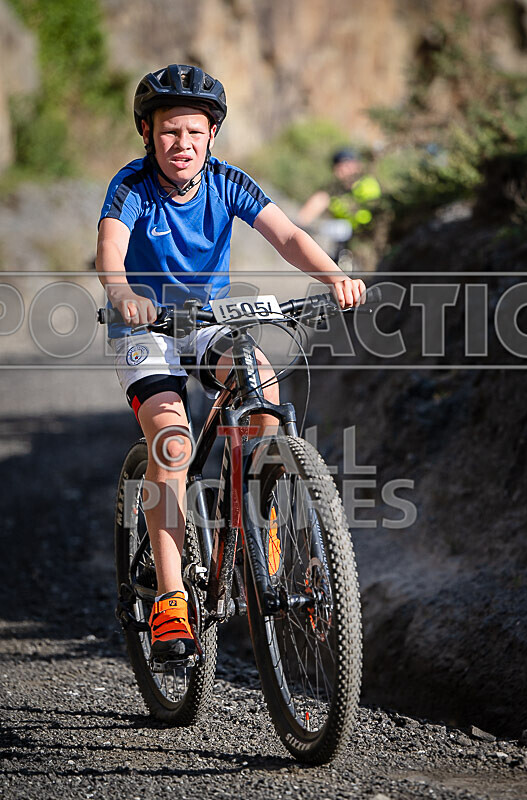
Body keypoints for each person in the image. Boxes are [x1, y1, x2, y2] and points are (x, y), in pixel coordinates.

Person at [96, 64, 366, 664]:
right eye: (169, 131)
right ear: (147, 133)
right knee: (171, 442)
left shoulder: (227, 181)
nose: (182, 144)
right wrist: (123, 294)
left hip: (205, 321)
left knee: (263, 390)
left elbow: (287, 235)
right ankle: (170, 598)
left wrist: (334, 276)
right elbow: (111, 248)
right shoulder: (132, 185)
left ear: (211, 134)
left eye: (194, 132)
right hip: (146, 327)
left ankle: (252, 528)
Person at [297, 147, 381, 231]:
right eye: (339, 167)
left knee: (340, 228)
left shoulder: (368, 184)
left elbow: (369, 211)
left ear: (357, 166)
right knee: (321, 197)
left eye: (347, 166)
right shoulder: (336, 188)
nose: (342, 170)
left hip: (361, 230)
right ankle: (298, 226)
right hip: (343, 228)